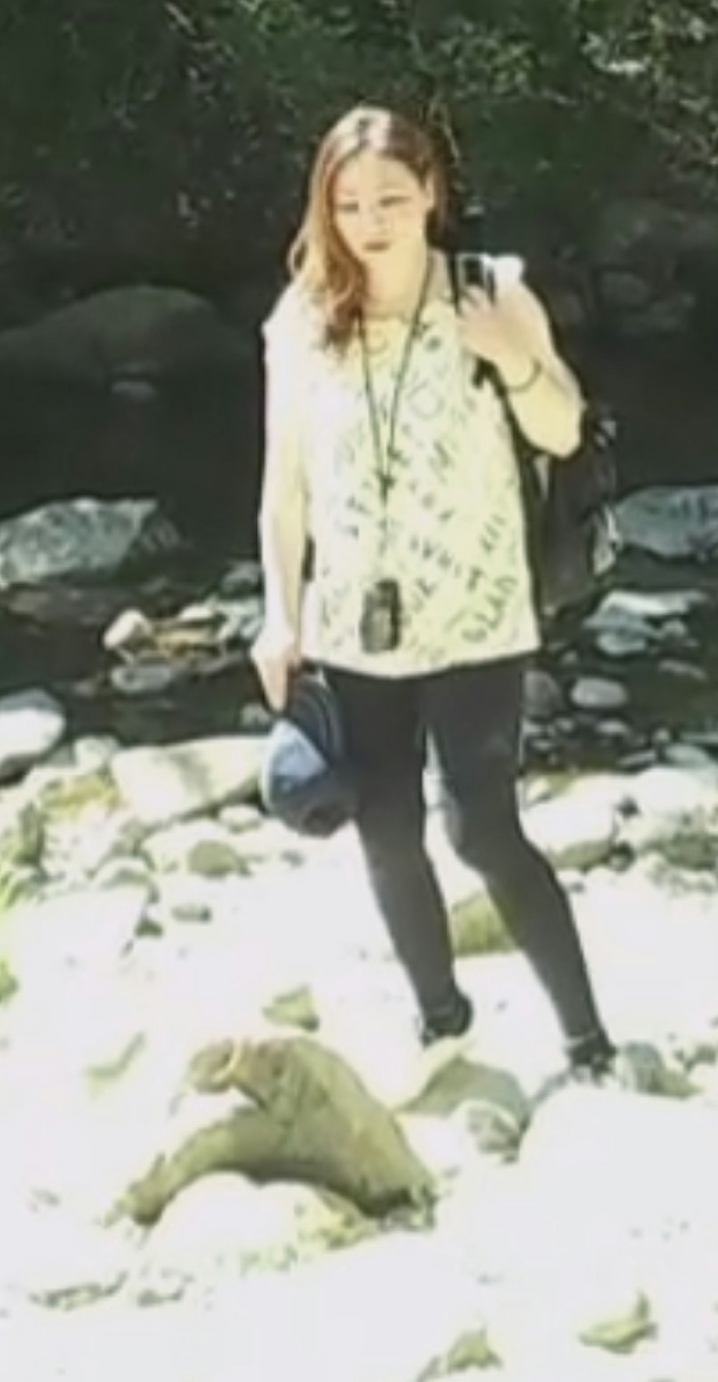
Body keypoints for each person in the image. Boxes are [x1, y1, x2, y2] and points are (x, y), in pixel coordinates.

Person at [251, 102, 613, 1075]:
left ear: (431, 197)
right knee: (386, 829)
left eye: (391, 199)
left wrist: (513, 353)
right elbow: (283, 492)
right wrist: (280, 616)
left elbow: (565, 429)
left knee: (483, 829)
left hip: (479, 611)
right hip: (352, 624)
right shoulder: (300, 320)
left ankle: (588, 1037)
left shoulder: (491, 291)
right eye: (349, 201)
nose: (370, 220)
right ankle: (441, 1018)